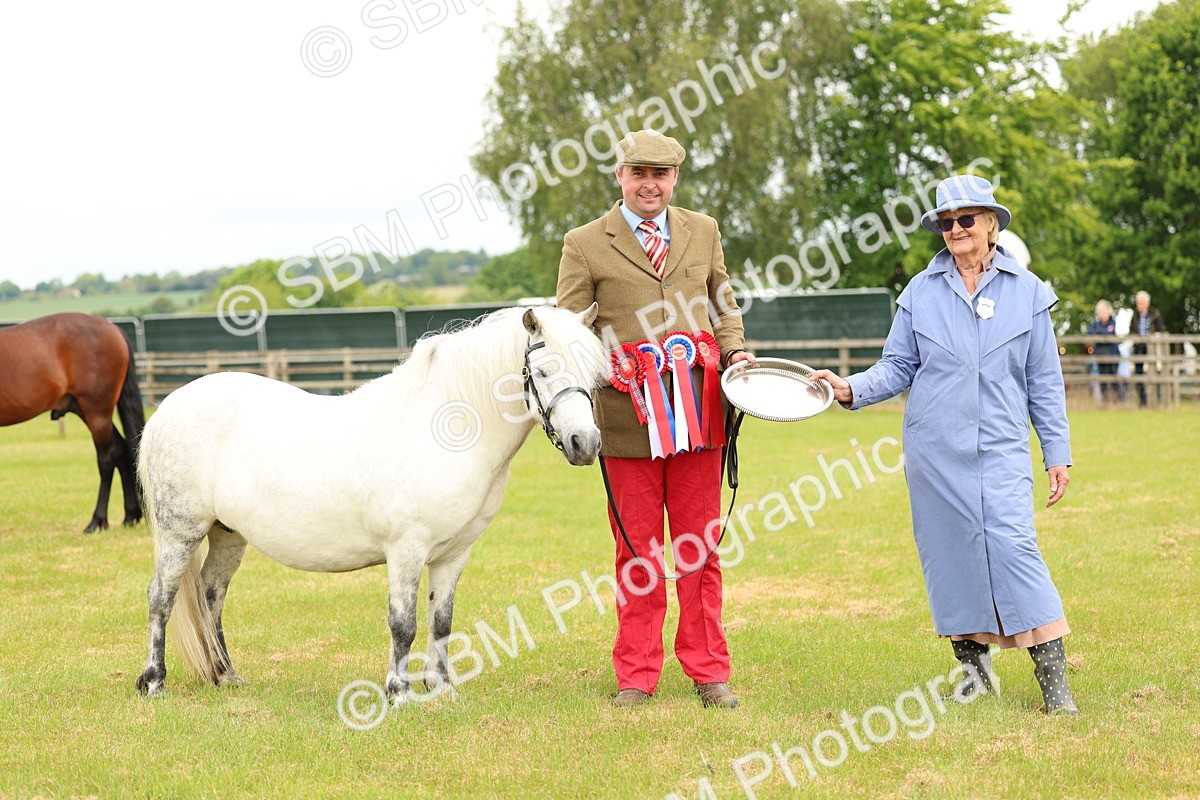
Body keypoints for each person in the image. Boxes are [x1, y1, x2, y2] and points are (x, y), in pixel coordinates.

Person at [813, 174, 1079, 715]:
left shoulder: (1028, 292)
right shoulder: (919, 291)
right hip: (934, 452)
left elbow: (1044, 382)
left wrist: (1057, 452)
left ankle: (1055, 682)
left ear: (990, 224)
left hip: (1002, 448)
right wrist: (851, 388)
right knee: (951, 557)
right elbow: (898, 365)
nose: (956, 229)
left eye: (966, 219)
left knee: (1013, 547)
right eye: (946, 222)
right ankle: (975, 676)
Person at [556, 130, 753, 709]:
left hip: (701, 420)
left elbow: (723, 304)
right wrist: (609, 364)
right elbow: (568, 331)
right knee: (636, 554)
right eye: (638, 173)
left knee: (700, 551)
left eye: (660, 174)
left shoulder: (704, 230)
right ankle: (636, 675)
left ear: (674, 179)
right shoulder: (583, 243)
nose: (650, 184)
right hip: (626, 424)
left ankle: (708, 671)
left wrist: (736, 352)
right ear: (619, 175)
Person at [1130, 291, 1167, 406]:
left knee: (1156, 371)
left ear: (1147, 303)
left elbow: (1161, 330)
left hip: (1152, 348)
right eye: (1138, 303)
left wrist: (1153, 338)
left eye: (1142, 303)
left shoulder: (1155, 315)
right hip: (1138, 347)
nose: (1140, 305)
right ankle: (1142, 400)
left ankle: (1156, 398)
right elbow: (1131, 331)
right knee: (1138, 372)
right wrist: (1135, 338)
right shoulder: (1135, 316)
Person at [1087, 300, 1122, 402]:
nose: (1103, 314)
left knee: (1114, 378)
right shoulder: (1095, 324)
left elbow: (1110, 334)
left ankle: (1117, 400)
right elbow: (1090, 333)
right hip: (1101, 355)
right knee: (1102, 379)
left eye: (1105, 311)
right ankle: (1105, 400)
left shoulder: (1114, 322)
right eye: (1101, 311)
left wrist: (1099, 333)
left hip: (1113, 355)